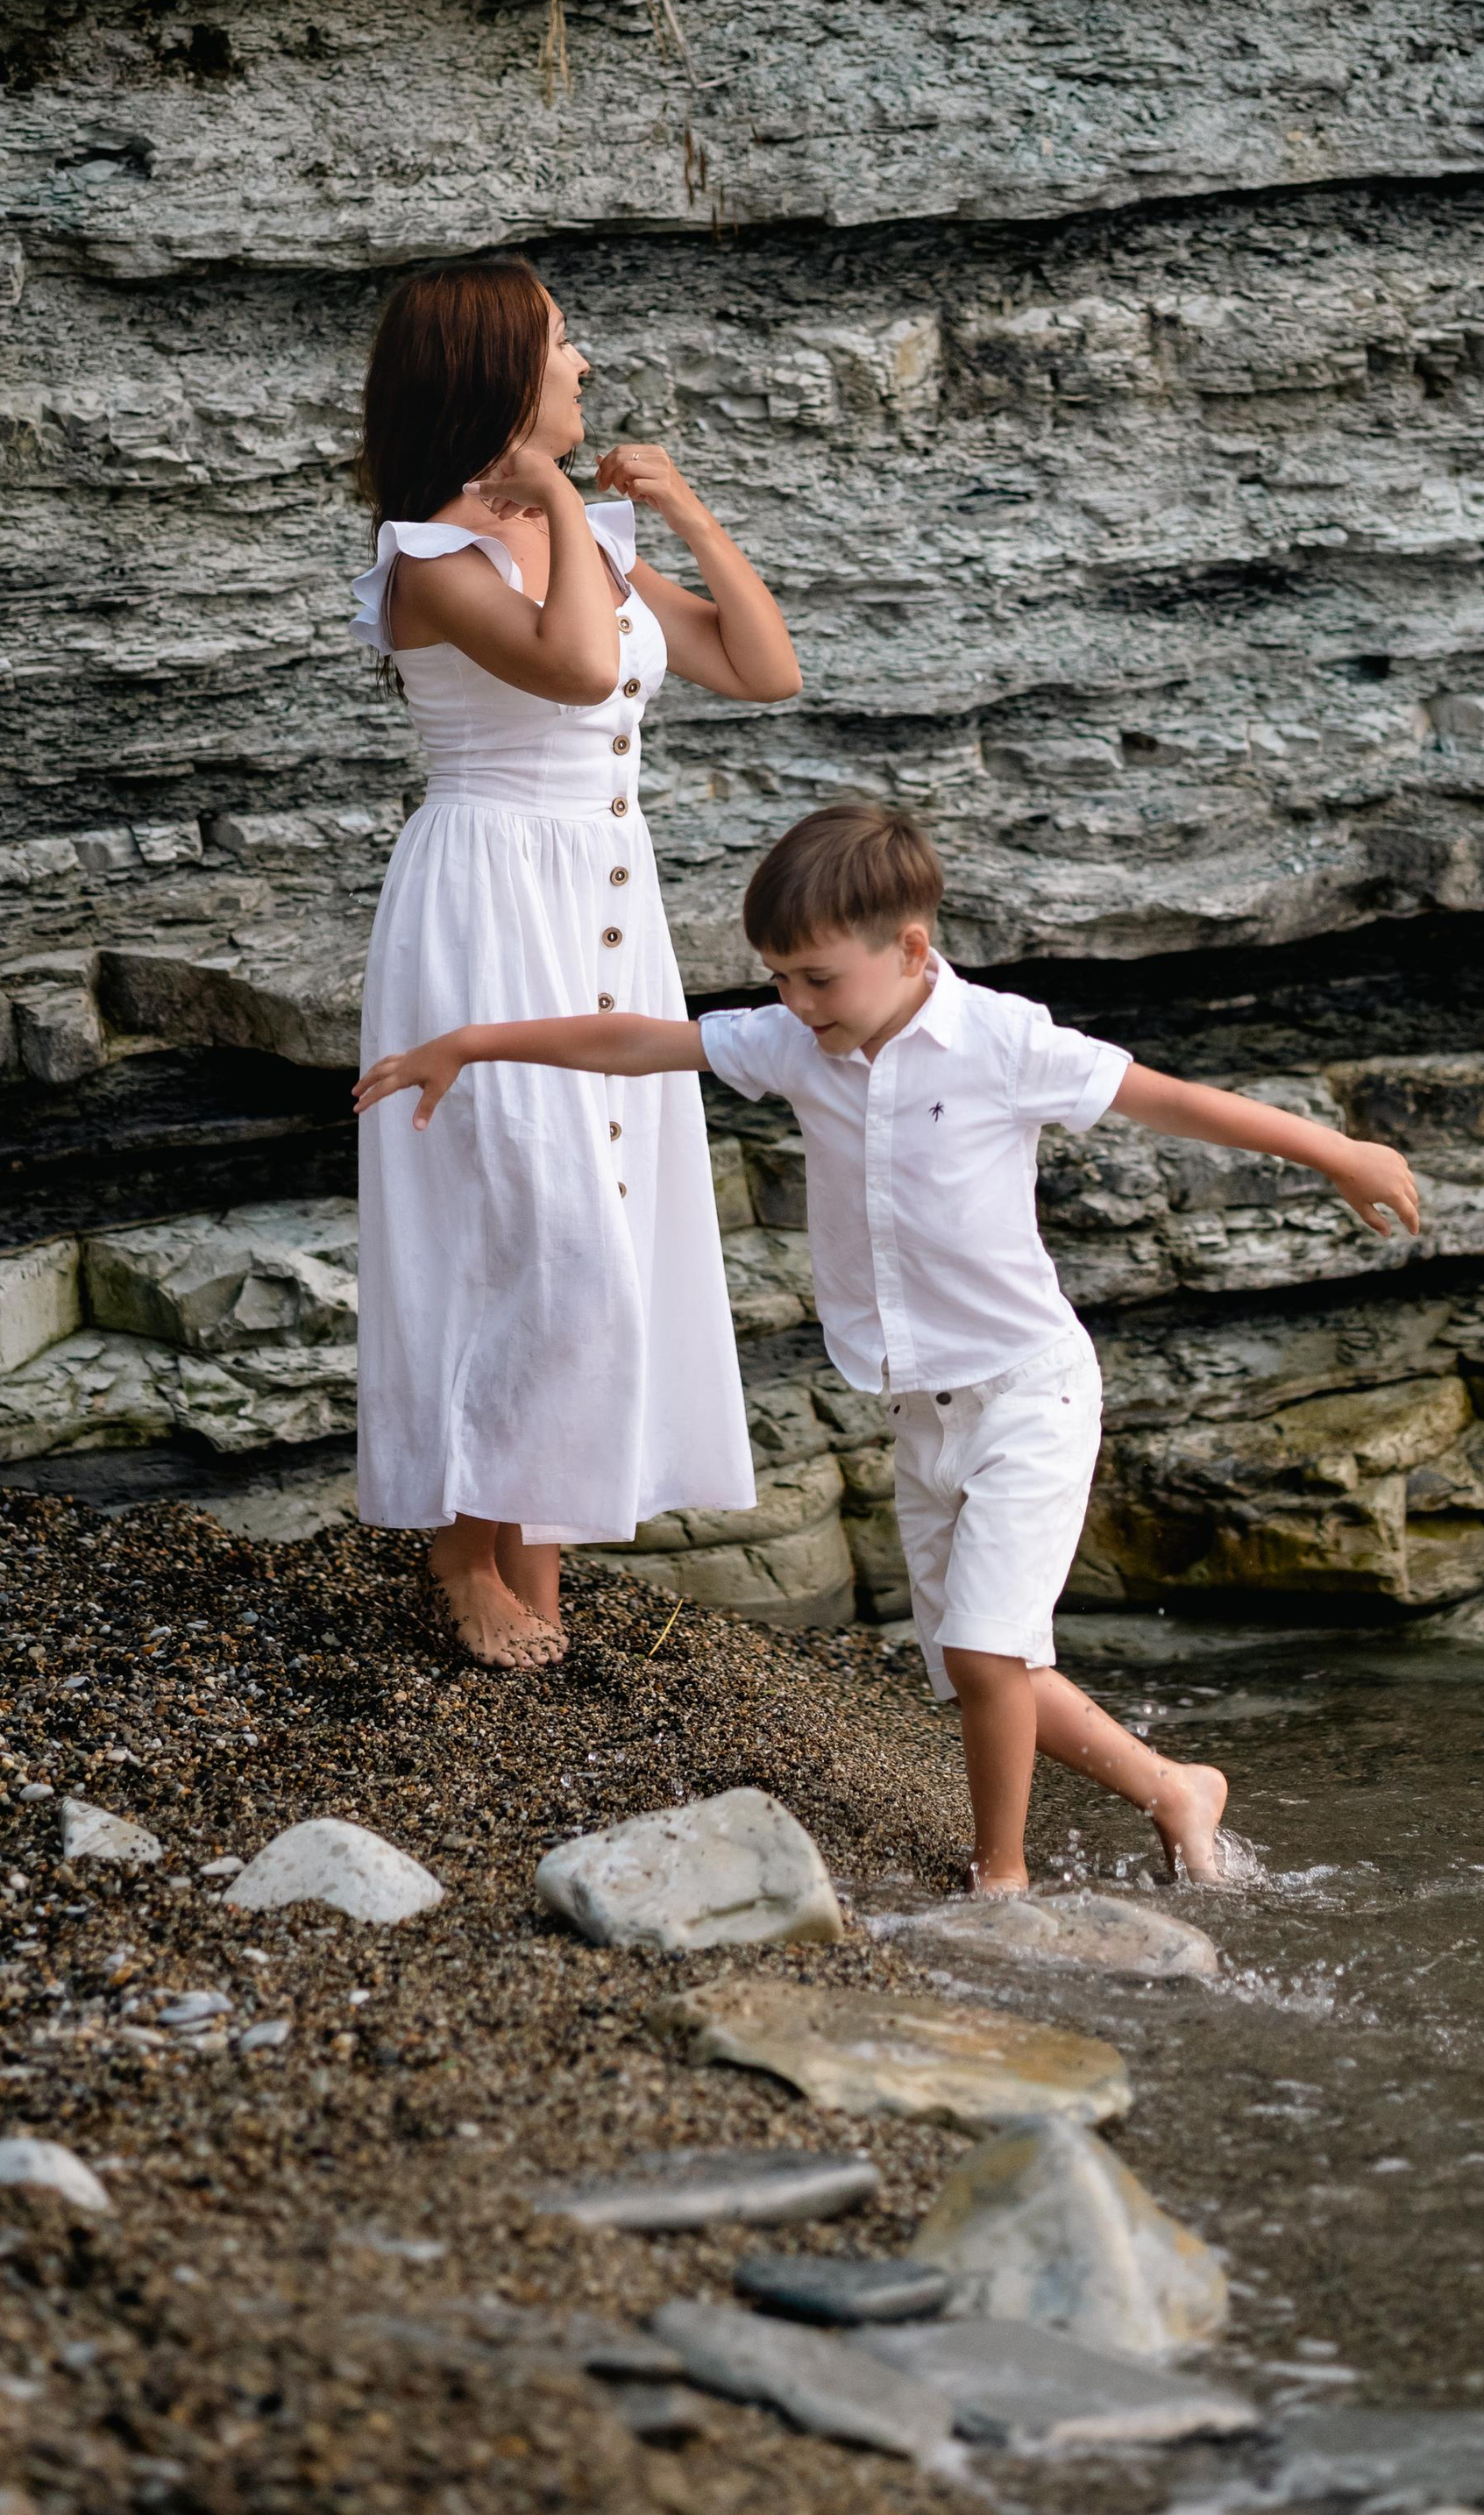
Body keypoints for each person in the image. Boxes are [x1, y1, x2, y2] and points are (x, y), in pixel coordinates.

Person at [353, 803, 1420, 1882]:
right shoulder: (796, 1045)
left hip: (1029, 1393)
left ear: (910, 949)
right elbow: (639, 1042)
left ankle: (1000, 1879)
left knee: (984, 1653)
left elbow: (1170, 1099)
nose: (793, 1001)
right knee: (976, 1675)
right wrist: (474, 1043)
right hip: (924, 1415)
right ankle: (1171, 1787)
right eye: (777, 978)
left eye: (817, 978)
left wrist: (1337, 1153)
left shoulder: (1006, 1041)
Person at [349, 254, 799, 1669]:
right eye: (561, 345)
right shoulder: (427, 560)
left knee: (597, 1225)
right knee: (514, 1226)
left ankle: (533, 1555)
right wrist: (550, 499)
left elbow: (760, 669)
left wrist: (672, 514)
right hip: (486, 901)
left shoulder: (599, 535)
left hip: (607, 899)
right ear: (496, 373)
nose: (585, 365)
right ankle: (455, 1549)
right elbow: (580, 673)